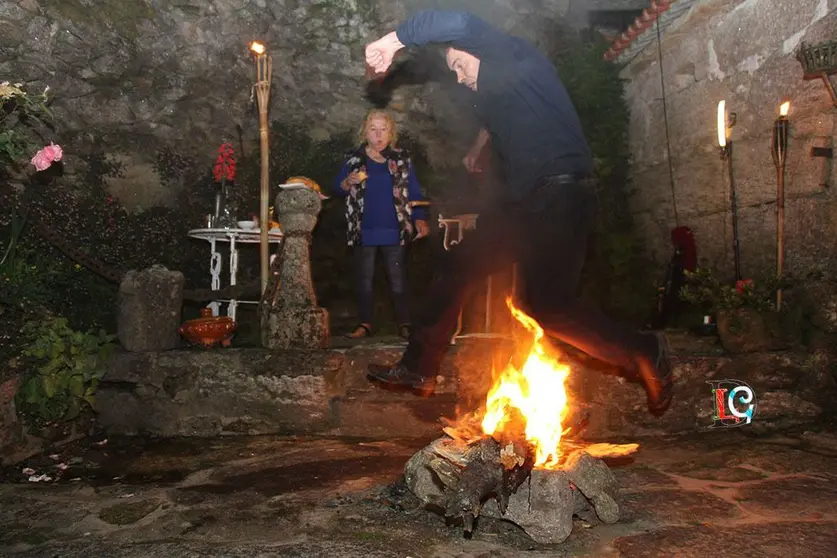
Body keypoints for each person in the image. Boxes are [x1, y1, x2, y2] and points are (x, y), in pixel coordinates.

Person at [363, 10, 674, 415]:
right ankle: (419, 368)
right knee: (457, 263)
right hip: (524, 202)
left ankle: (646, 350)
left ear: (480, 52)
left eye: (458, 64)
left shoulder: (513, 55)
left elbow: (456, 20)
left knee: (546, 306)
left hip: (562, 193)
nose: (457, 76)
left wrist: (394, 40)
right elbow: (497, 119)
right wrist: (478, 146)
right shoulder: (496, 92)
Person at [334, 109, 431, 339]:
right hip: (363, 229)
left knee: (398, 280)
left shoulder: (401, 159)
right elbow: (337, 187)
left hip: (395, 229)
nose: (378, 135)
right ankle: (365, 323)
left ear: (391, 134)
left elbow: (415, 190)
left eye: (383, 129)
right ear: (364, 133)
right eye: (373, 129)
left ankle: (404, 323)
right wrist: (348, 181)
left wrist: (420, 217)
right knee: (364, 280)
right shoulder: (354, 159)